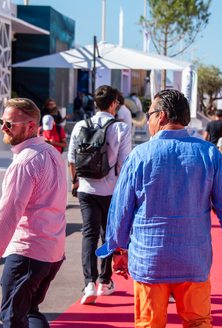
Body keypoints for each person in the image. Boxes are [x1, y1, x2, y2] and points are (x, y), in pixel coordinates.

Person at [96, 89, 222, 327]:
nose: (148, 120)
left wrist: (119, 250)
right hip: (193, 260)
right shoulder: (208, 153)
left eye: (150, 114)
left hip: (149, 258)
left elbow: (121, 211)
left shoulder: (139, 155)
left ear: (161, 116)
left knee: (149, 323)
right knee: (198, 323)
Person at [0, 98, 67, 328]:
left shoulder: (24, 163)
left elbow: (8, 215)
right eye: (2, 121)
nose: (3, 128)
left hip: (28, 252)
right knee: (30, 311)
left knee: (13, 318)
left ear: (30, 126)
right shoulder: (52, 153)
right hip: (52, 251)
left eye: (10, 124)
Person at [68, 85, 132, 305]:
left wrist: (75, 182)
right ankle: (104, 282)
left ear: (95, 103)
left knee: (89, 235)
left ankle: (88, 284)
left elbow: (72, 159)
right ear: (114, 103)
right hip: (111, 190)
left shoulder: (79, 126)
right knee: (108, 235)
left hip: (86, 188)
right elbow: (124, 164)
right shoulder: (121, 128)